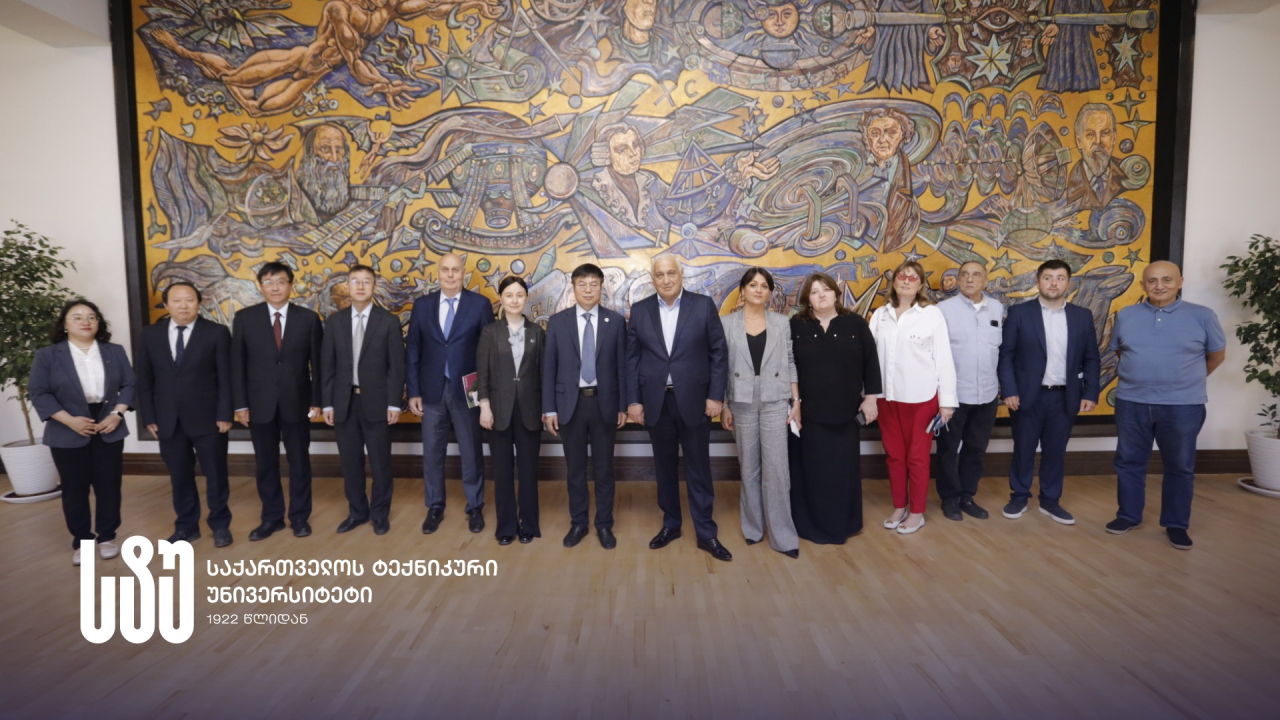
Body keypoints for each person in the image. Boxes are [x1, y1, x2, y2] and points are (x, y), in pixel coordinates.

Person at [1108, 261, 1226, 550]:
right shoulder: (1126, 315)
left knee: (1180, 466)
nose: (1159, 286)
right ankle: (1128, 516)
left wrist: (1184, 381)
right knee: (1128, 462)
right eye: (1152, 281)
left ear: (1180, 282)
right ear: (1143, 285)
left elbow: (1216, 356)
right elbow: (1120, 351)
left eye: (1166, 280)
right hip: (1132, 402)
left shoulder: (1203, 316)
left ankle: (1176, 524)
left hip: (1183, 405)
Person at [627, 255, 732, 561]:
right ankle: (671, 524)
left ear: (681, 274)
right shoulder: (641, 310)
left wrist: (716, 396)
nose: (666, 279)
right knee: (664, 467)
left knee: (699, 468)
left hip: (697, 401)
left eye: (671, 273)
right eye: (659, 275)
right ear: (653, 279)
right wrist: (633, 400)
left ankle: (706, 532)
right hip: (656, 402)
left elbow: (718, 353)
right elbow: (631, 358)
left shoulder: (703, 305)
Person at [28, 300, 135, 566]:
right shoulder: (48, 355)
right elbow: (39, 393)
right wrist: (70, 421)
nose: (85, 321)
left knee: (109, 485)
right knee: (74, 488)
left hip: (108, 422)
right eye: (77, 317)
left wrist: (117, 414)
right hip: (66, 425)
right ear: (65, 324)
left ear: (98, 323)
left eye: (91, 317)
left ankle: (108, 536)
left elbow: (130, 384)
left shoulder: (114, 351)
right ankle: (82, 541)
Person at [998, 259, 1101, 525]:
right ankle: (1019, 497)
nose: (1053, 283)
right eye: (1048, 278)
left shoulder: (1082, 316)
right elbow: (1006, 355)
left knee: (1056, 451)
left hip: (1065, 397)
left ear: (1068, 283)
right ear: (1038, 282)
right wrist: (1009, 390)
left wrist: (1090, 393)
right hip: (1027, 396)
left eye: (1060, 278)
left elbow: (1091, 358)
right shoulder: (1020, 313)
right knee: (1023, 450)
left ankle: (1050, 501)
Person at [136, 282, 234, 547]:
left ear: (198, 303)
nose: (183, 306)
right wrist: (149, 417)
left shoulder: (216, 333)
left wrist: (225, 413)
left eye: (189, 300)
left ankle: (220, 525)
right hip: (168, 419)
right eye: (177, 300)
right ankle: (186, 527)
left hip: (209, 418)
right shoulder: (150, 335)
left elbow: (227, 377)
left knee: (216, 474)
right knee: (179, 475)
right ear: (166, 305)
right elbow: (144, 379)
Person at [232, 261, 324, 541]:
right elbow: (238, 364)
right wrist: (241, 404)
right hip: (259, 405)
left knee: (300, 462)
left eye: (281, 282)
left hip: (297, 402)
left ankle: (299, 517)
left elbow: (318, 364)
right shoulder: (245, 319)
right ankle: (271, 518)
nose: (275, 288)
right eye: (269, 282)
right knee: (265, 464)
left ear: (290, 286)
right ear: (260, 287)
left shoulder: (308, 319)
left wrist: (317, 400)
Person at [788, 273, 882, 544]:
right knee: (812, 472)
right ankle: (810, 525)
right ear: (808, 299)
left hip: (845, 415)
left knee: (842, 473)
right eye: (814, 291)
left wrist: (871, 399)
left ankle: (844, 523)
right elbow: (787, 366)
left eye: (826, 289)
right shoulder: (796, 326)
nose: (821, 295)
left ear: (836, 293)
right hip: (808, 415)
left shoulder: (855, 323)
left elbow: (871, 362)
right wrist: (794, 403)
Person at [543, 263, 628, 549]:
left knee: (604, 470)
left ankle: (604, 524)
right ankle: (578, 523)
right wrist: (550, 409)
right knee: (575, 469)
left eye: (594, 284)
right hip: (571, 405)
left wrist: (622, 405)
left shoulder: (615, 322)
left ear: (602, 287)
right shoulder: (558, 322)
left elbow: (621, 367)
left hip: (605, 403)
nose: (588, 290)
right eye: (582, 284)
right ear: (574, 288)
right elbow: (549, 368)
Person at [407, 252, 493, 534]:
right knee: (432, 452)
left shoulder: (479, 305)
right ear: (438, 273)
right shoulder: (422, 305)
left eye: (455, 270)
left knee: (471, 451)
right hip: (431, 390)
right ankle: (435, 506)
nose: (450, 275)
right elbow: (414, 350)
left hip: (469, 388)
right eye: (445, 270)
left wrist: (483, 394)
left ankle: (475, 506)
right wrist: (414, 391)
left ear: (463, 273)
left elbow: (487, 352)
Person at [870, 260, 957, 535]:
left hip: (921, 398)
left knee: (917, 458)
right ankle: (899, 507)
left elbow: (944, 359)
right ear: (894, 281)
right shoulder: (880, 316)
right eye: (902, 276)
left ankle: (917, 513)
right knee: (894, 456)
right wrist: (867, 395)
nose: (906, 281)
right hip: (887, 397)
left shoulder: (932, 315)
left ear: (920, 285)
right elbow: (869, 359)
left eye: (913, 277)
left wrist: (947, 403)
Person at [720, 268, 802, 558]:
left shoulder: (781, 322)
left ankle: (783, 537)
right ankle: (753, 528)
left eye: (764, 286)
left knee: (777, 470)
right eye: (752, 285)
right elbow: (720, 367)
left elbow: (790, 362)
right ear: (742, 290)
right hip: (740, 400)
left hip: (775, 399)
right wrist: (724, 405)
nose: (758, 290)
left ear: (769, 292)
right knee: (749, 468)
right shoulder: (726, 323)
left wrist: (796, 401)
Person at [321, 265, 404, 536]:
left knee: (380, 463)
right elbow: (327, 366)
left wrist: (394, 403)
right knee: (350, 463)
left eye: (366, 281)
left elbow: (396, 367)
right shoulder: (335, 322)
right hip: (344, 403)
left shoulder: (388, 321)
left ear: (373, 286)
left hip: (377, 403)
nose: (360, 286)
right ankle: (357, 512)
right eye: (355, 281)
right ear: (347, 285)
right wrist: (328, 403)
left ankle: (379, 514)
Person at [478, 276, 546, 545]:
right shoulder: (490, 332)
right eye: (509, 295)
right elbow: (481, 373)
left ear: (526, 298)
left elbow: (544, 374)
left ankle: (529, 524)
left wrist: (547, 409)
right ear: (501, 299)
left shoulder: (537, 332)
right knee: (502, 472)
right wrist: (484, 406)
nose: (514, 300)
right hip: (498, 411)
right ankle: (506, 526)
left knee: (529, 472)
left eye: (519, 295)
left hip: (530, 410)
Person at [936, 261, 1004, 521]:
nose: (970, 279)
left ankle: (967, 496)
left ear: (985, 280)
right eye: (964, 275)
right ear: (958, 280)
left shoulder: (997, 308)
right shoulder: (943, 310)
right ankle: (950, 499)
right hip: (954, 395)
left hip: (987, 393)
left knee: (976, 449)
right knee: (948, 449)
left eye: (976, 275)